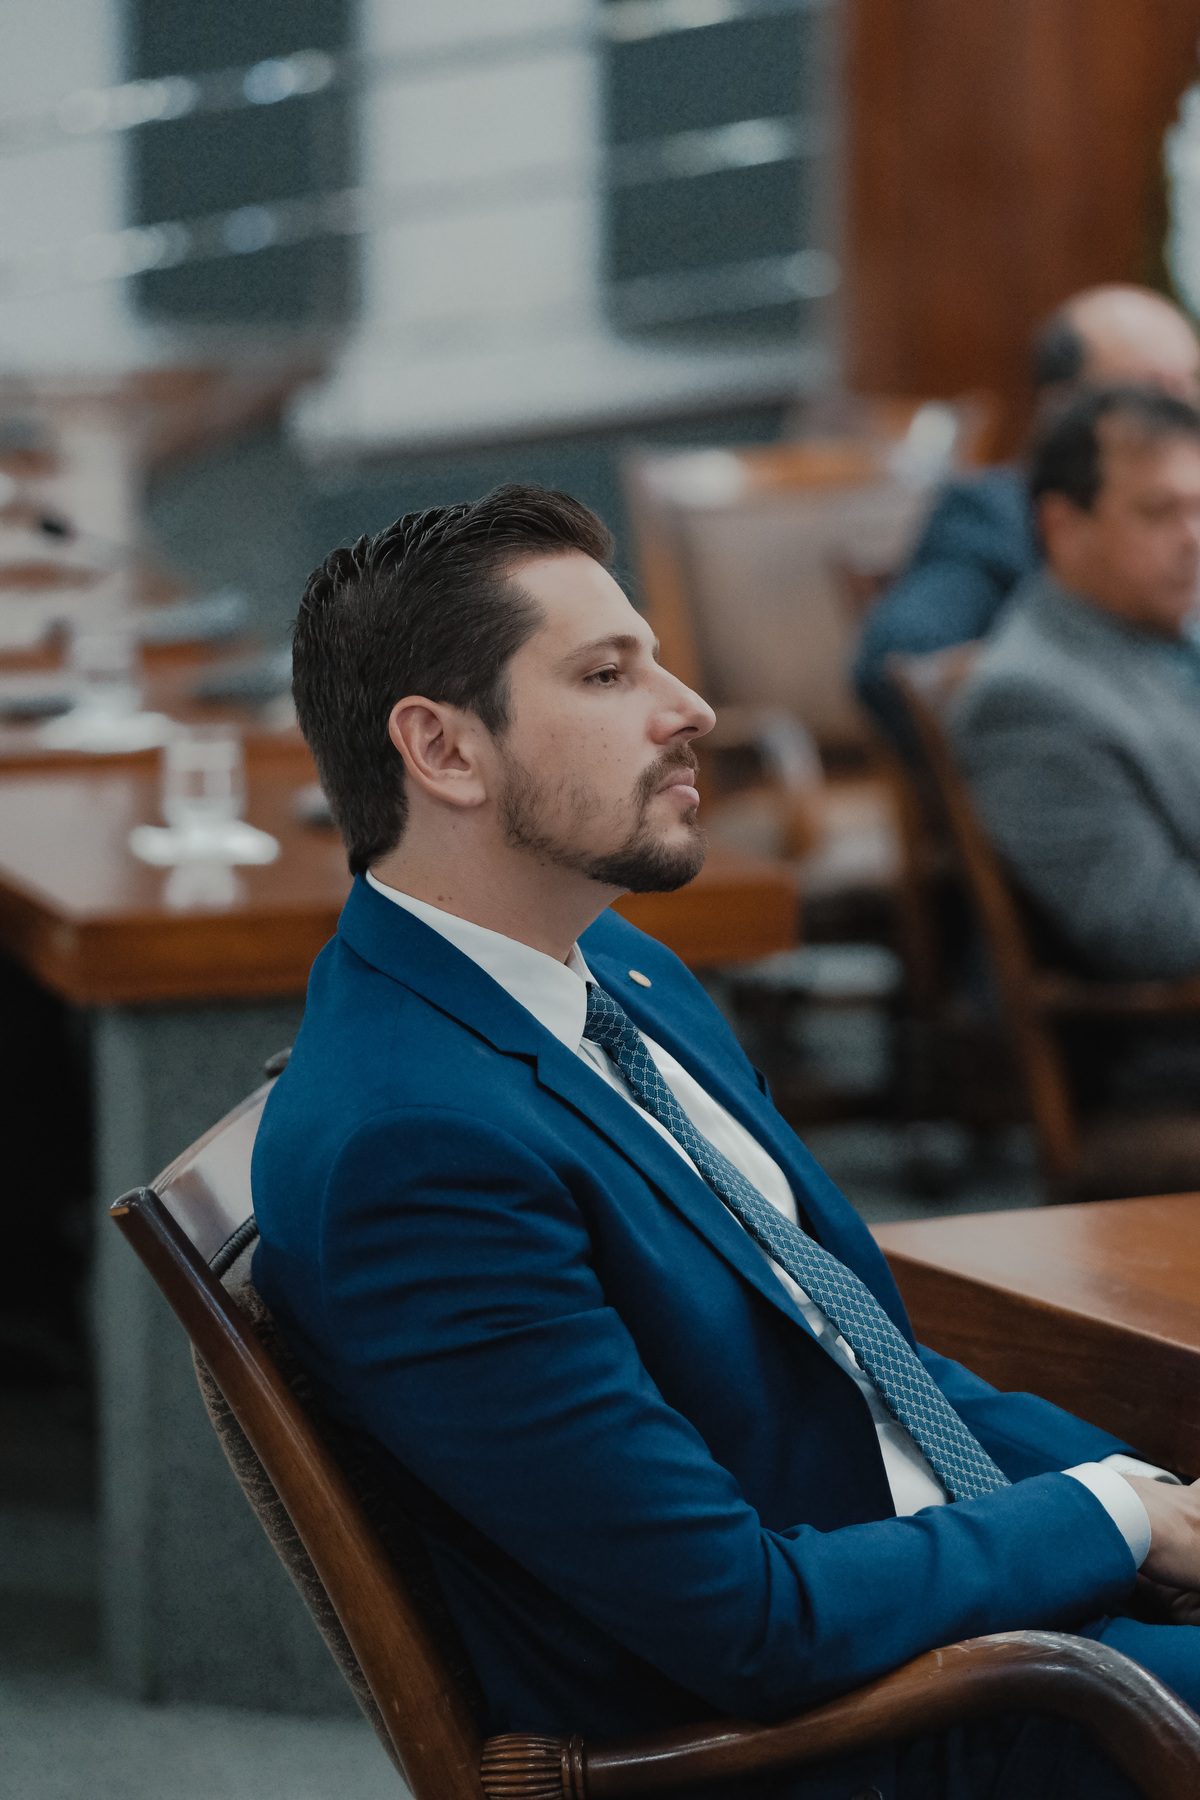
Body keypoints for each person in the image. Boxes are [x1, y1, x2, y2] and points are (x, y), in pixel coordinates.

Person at [252, 484, 1200, 1800]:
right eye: (606, 672)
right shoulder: (415, 1148)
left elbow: (869, 1364)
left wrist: (1136, 1491)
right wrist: (1105, 1521)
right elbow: (745, 1624)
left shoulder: (617, 973)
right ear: (444, 751)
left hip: (942, 1606)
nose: (688, 705)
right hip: (847, 1735)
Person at [854, 285, 1200, 750]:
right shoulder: (993, 518)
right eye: (1151, 389)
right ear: (1062, 407)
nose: (1180, 411)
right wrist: (1061, 685)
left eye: (1190, 382)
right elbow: (897, 667)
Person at [951, 386, 1200, 989]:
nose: (1194, 538)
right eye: (1158, 512)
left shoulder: (1171, 629)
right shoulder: (1028, 700)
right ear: (1064, 527)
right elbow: (1158, 932)